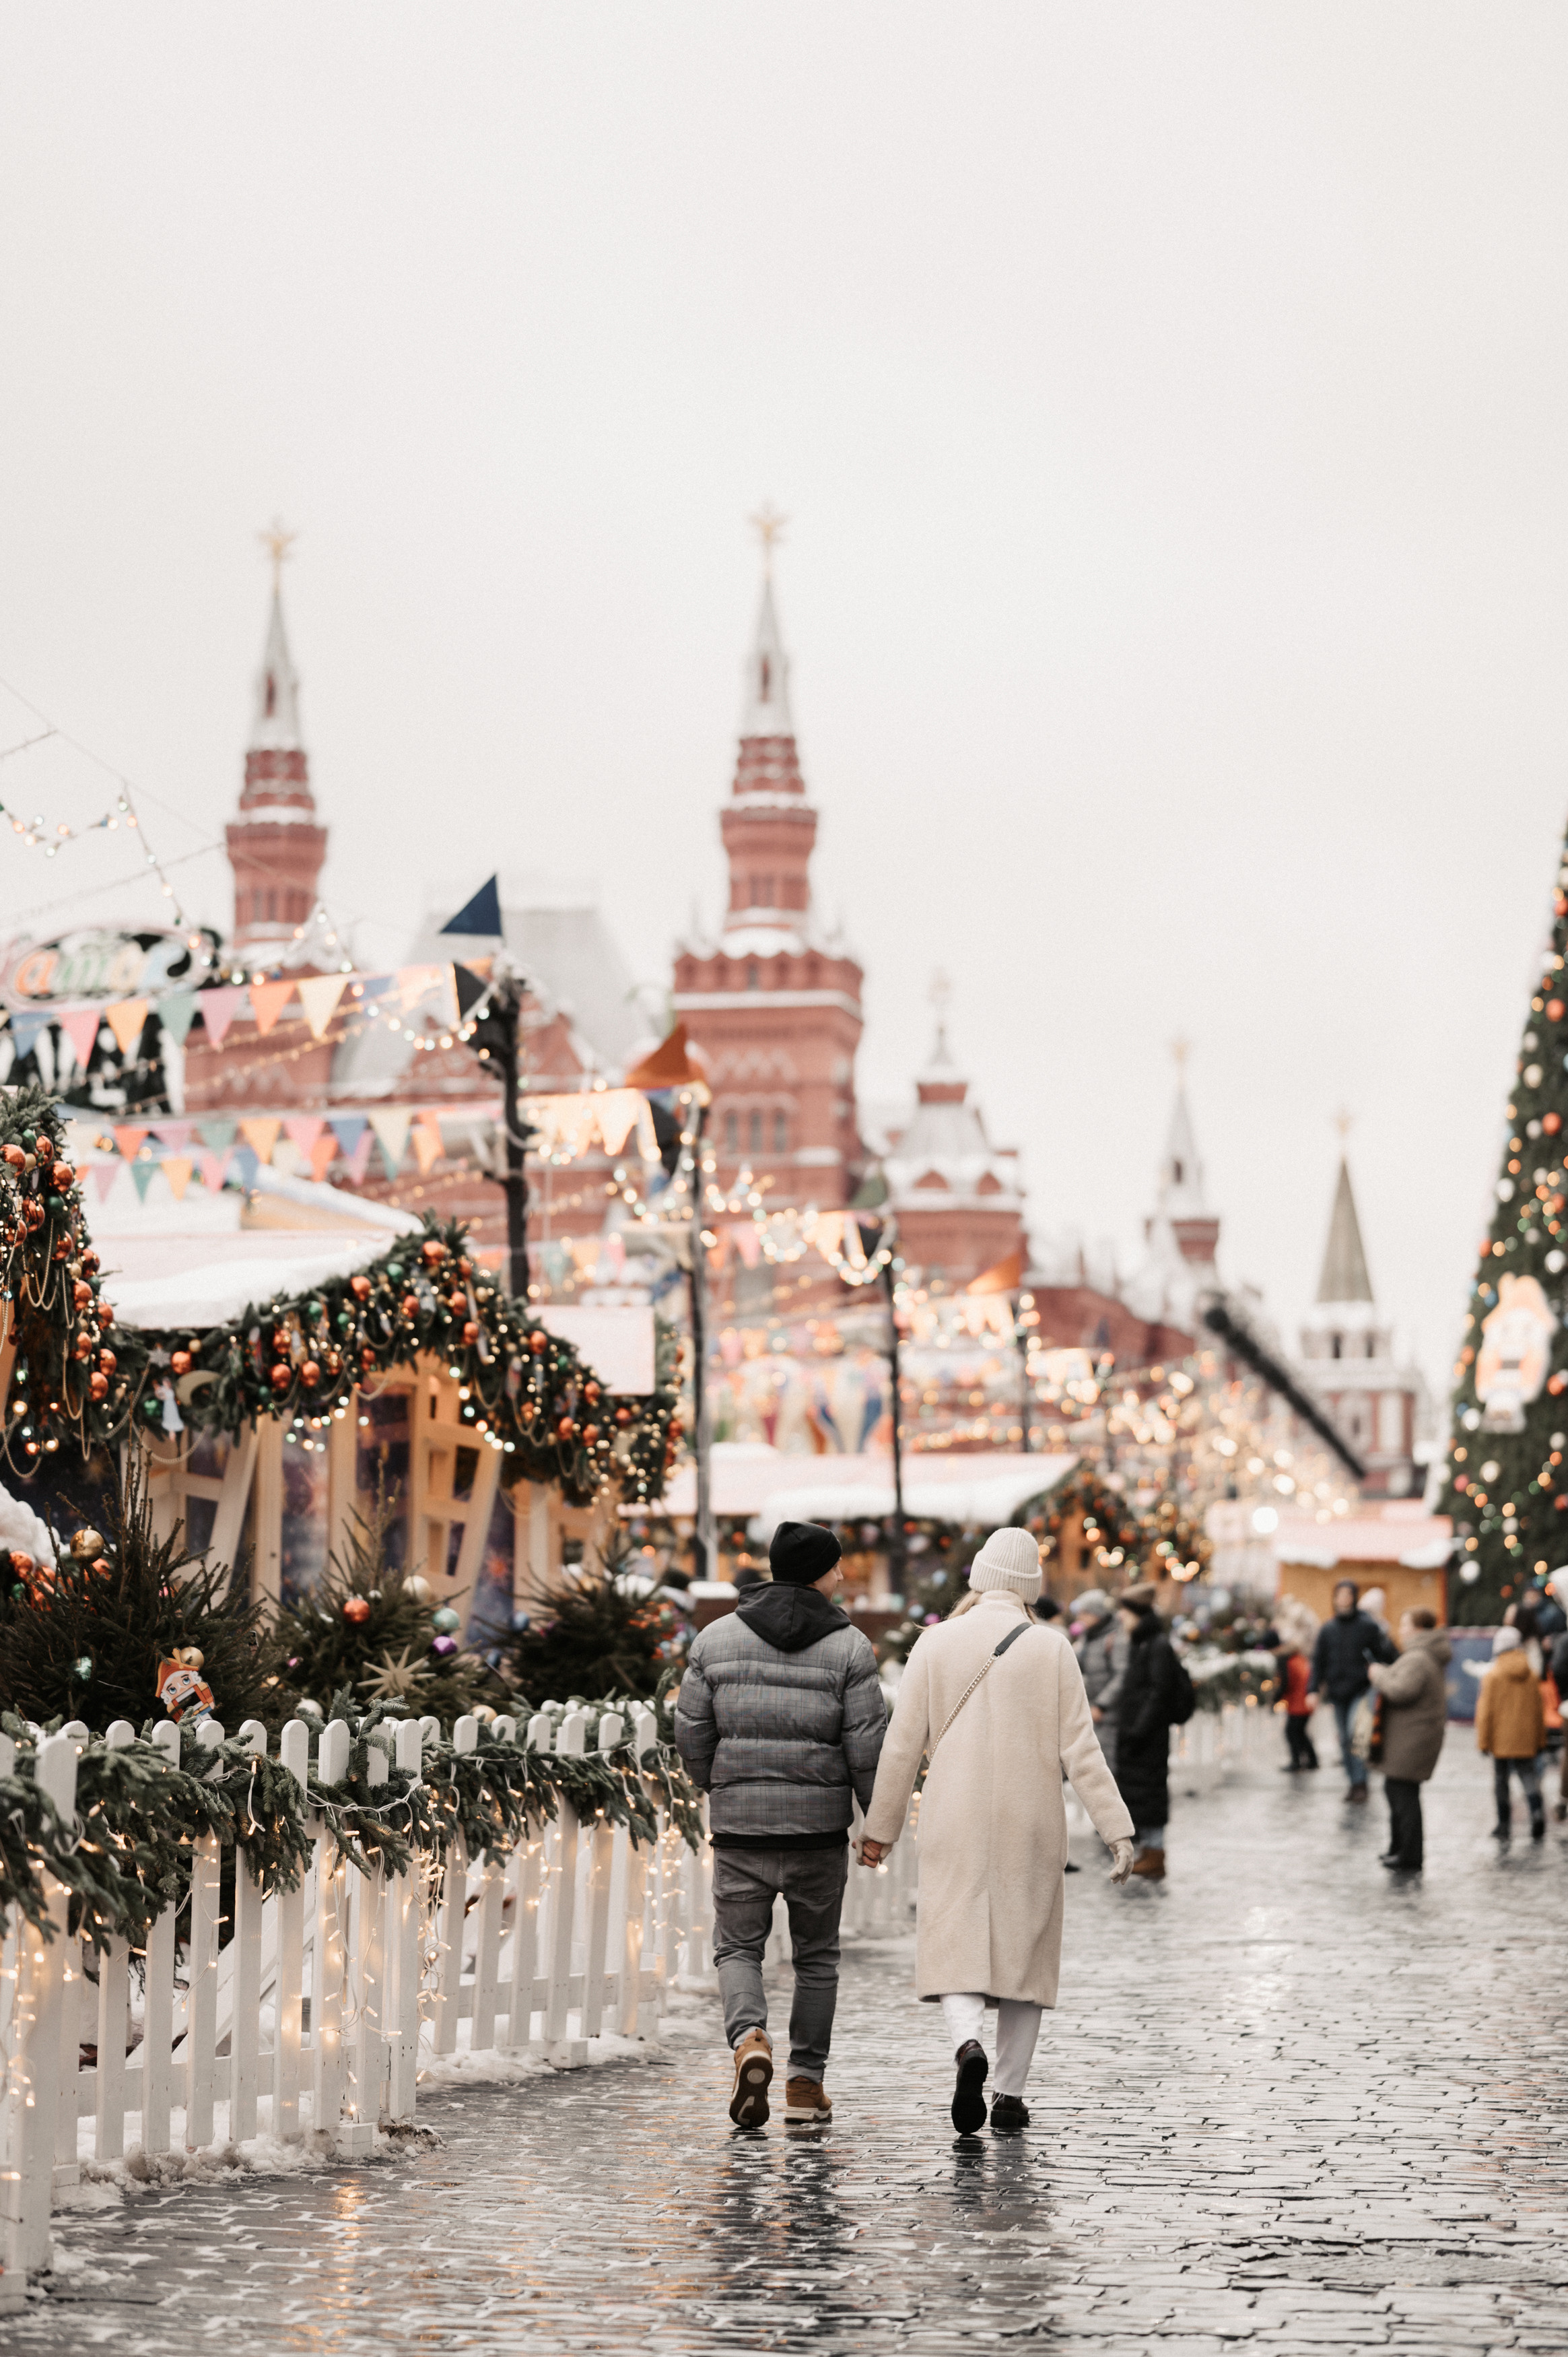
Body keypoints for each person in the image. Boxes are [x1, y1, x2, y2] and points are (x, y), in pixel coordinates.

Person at [857, 1527, 1133, 2136]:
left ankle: (966, 2048)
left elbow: (901, 1747)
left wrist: (880, 1829)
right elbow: (1081, 1751)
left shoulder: (935, 1643)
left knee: (954, 1942)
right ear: (1031, 1584)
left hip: (953, 1816)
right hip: (1030, 1817)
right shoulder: (1052, 1647)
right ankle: (1008, 2093)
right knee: (1025, 1956)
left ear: (979, 1576)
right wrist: (1116, 1830)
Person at [673, 1518, 887, 2129]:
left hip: (741, 1829)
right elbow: (866, 1744)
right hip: (818, 1834)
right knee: (816, 1956)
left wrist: (715, 1784)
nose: (843, 1576)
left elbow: (691, 1730)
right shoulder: (849, 1648)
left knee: (738, 1946)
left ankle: (749, 2041)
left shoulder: (715, 1639)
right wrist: (877, 1822)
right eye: (837, 1566)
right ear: (819, 1572)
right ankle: (803, 2083)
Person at [1113, 1584, 1194, 1880]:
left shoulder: (1156, 1645)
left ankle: (1156, 1854)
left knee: (1151, 1792)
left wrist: (1139, 1729)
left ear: (1136, 1613)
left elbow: (1159, 1693)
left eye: (1124, 1611)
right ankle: (1150, 1851)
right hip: (1141, 1733)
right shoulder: (1144, 1642)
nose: (1120, 1616)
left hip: (1149, 1735)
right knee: (1142, 1792)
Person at [1367, 1607, 1450, 1871]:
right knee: (1398, 1791)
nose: (1400, 1630)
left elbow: (1401, 1691)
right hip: (1411, 1737)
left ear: (1417, 1629)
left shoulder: (1418, 1658)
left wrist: (1378, 1675)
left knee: (1403, 1794)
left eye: (1404, 1624)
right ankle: (1399, 1849)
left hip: (1411, 1740)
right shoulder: (1421, 1656)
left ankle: (1409, 1855)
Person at [1307, 1580, 1395, 1803]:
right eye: (1340, 1595)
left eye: (1348, 1595)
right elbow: (1318, 1662)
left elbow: (1385, 1654)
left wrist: (1380, 1669)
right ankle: (1354, 1782)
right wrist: (1313, 1690)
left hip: (1361, 1691)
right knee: (1344, 1740)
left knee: (1355, 1735)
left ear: (1354, 1598)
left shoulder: (1367, 1627)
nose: (1344, 1599)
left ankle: (1361, 1782)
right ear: (1335, 1598)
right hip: (1337, 1693)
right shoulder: (1327, 1629)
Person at [1476, 1625, 1546, 1843]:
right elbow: (1538, 1711)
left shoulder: (1493, 1676)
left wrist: (1483, 1742)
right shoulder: (1532, 1675)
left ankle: (1504, 1825)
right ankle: (1536, 1813)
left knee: (1501, 1780)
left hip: (1500, 1741)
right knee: (1528, 1777)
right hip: (1526, 1739)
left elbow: (1485, 1713)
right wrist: (1540, 1740)